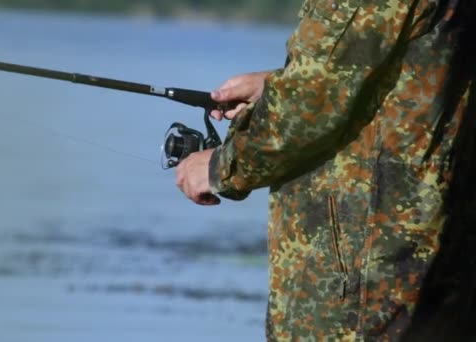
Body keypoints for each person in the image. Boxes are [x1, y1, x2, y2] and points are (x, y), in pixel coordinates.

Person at [175, 0, 474, 340]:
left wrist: (218, 167)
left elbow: (308, 102)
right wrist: (280, 81)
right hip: (436, 266)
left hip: (364, 279)